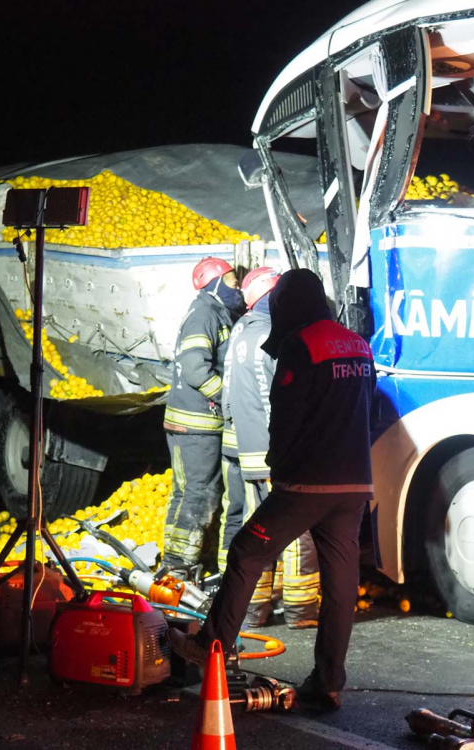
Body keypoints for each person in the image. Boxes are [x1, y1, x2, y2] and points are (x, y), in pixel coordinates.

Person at [169, 269, 375, 710]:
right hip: (355, 482)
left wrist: (279, 468)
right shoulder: (357, 344)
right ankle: (328, 681)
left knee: (246, 552)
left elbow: (285, 417)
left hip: (306, 483)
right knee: (340, 582)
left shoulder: (300, 346)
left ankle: (212, 648)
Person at [221, 266, 320, 629]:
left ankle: (253, 609)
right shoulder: (276, 335)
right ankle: (300, 610)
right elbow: (285, 398)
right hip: (275, 451)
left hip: (248, 450)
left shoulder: (240, 331)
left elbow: (230, 395)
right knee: (297, 529)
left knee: (257, 530)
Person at [161, 258, 244, 572]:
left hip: (195, 425)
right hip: (195, 425)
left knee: (190, 493)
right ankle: (177, 567)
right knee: (199, 494)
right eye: (233, 283)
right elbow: (196, 367)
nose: (237, 289)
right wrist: (228, 397)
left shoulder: (213, 312)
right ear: (215, 283)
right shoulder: (206, 314)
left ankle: (180, 564)